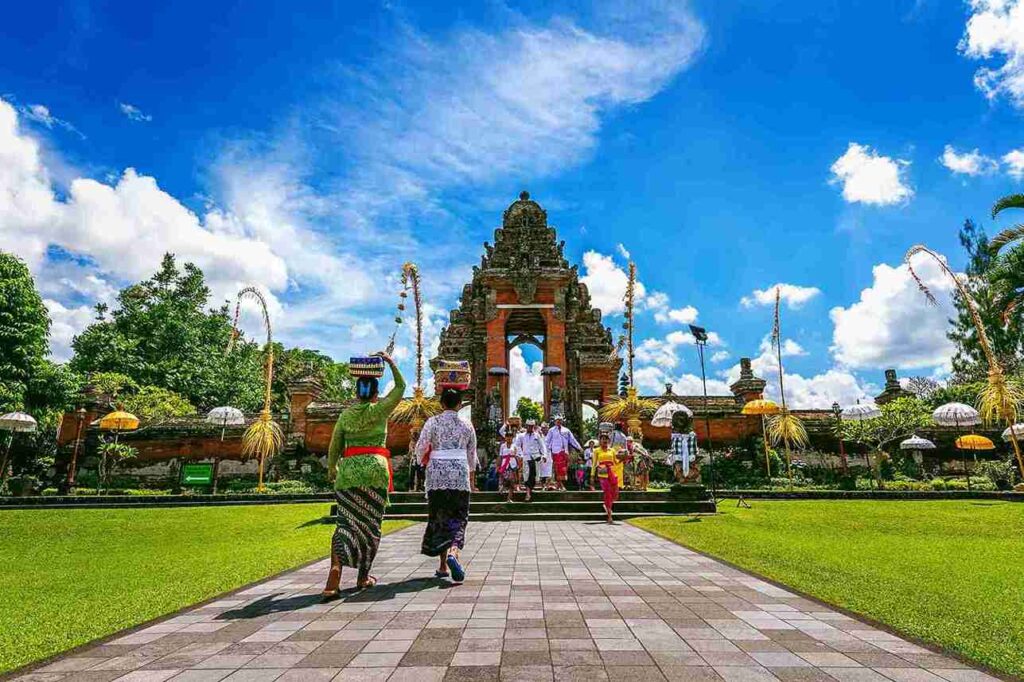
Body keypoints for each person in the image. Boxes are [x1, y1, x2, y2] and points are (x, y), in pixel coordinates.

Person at [322, 352, 404, 600]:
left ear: (356, 392)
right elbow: (401, 387)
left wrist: (332, 468)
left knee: (345, 523)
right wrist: (390, 362)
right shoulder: (380, 410)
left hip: (348, 474)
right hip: (375, 473)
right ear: (376, 393)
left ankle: (334, 573)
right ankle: (362, 576)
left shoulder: (346, 415)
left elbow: (335, 446)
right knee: (370, 526)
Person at [417, 379, 478, 584]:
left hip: (436, 475)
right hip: (459, 474)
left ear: (441, 404)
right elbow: (471, 455)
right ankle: (453, 552)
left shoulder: (432, 422)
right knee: (458, 517)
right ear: (460, 404)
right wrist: (471, 477)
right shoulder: (467, 424)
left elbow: (421, 447)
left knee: (440, 517)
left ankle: (443, 565)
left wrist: (423, 460)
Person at [591, 429, 624, 523]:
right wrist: (592, 477)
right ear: (600, 440)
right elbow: (594, 464)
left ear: (609, 441)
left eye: (606, 439)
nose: (604, 440)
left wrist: (623, 458)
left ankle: (607, 505)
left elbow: (616, 462)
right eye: (602, 439)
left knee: (615, 494)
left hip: (612, 472)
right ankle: (609, 516)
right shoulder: (596, 451)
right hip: (602, 472)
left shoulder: (612, 450)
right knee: (608, 492)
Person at [545, 415, 582, 491]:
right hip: (555, 452)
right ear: (555, 421)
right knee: (557, 469)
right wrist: (546, 452)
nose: (558, 421)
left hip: (564, 452)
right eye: (557, 420)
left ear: (562, 421)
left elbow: (572, 440)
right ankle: (560, 485)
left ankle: (559, 485)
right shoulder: (551, 430)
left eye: (560, 420)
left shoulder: (566, 430)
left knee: (563, 469)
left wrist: (579, 447)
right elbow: (547, 441)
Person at [514, 419, 547, 501]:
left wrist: (544, 455)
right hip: (526, 458)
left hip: (536, 458)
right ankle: (528, 493)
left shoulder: (537, 435)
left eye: (532, 426)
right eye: (529, 426)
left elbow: (542, 446)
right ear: (526, 426)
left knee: (533, 476)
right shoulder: (521, 436)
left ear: (534, 426)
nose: (530, 428)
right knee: (526, 476)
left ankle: (529, 491)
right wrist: (520, 454)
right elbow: (517, 446)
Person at [670, 412, 698, 483]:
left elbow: (693, 446)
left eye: (682, 419)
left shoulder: (691, 435)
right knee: (679, 469)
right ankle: (681, 478)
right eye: (678, 419)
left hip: (690, 456)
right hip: (678, 455)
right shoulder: (675, 435)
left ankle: (689, 478)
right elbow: (673, 446)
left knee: (691, 470)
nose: (680, 421)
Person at [497, 430, 522, 501]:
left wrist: (519, 465)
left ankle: (509, 498)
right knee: (505, 480)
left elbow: (517, 456)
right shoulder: (502, 446)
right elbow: (500, 456)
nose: (509, 438)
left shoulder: (515, 446)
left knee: (512, 481)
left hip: (513, 464)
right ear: (505, 437)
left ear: (512, 438)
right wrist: (498, 466)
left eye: (510, 437)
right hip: (505, 464)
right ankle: (503, 487)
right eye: (507, 437)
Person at [408, 427, 424, 492]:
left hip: (418, 459)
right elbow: (410, 450)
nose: (414, 435)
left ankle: (418, 488)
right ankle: (411, 488)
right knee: (412, 474)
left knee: (419, 474)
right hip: (414, 459)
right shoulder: (411, 442)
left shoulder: (420, 442)